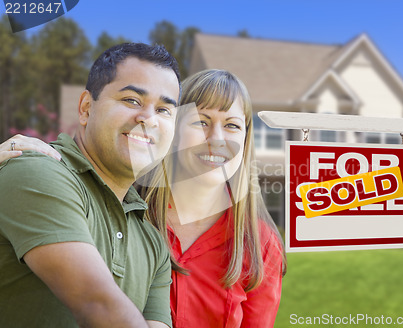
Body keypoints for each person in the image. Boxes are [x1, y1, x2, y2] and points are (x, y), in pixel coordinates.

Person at [1, 69, 286, 327]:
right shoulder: (122, 207)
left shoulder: (259, 242)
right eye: (201, 121)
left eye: (233, 126)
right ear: (170, 129)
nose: (216, 138)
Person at [0, 43, 181, 328]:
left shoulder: (152, 242)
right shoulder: (36, 169)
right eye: (132, 100)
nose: (148, 119)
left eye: (163, 109)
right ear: (85, 107)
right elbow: (97, 304)